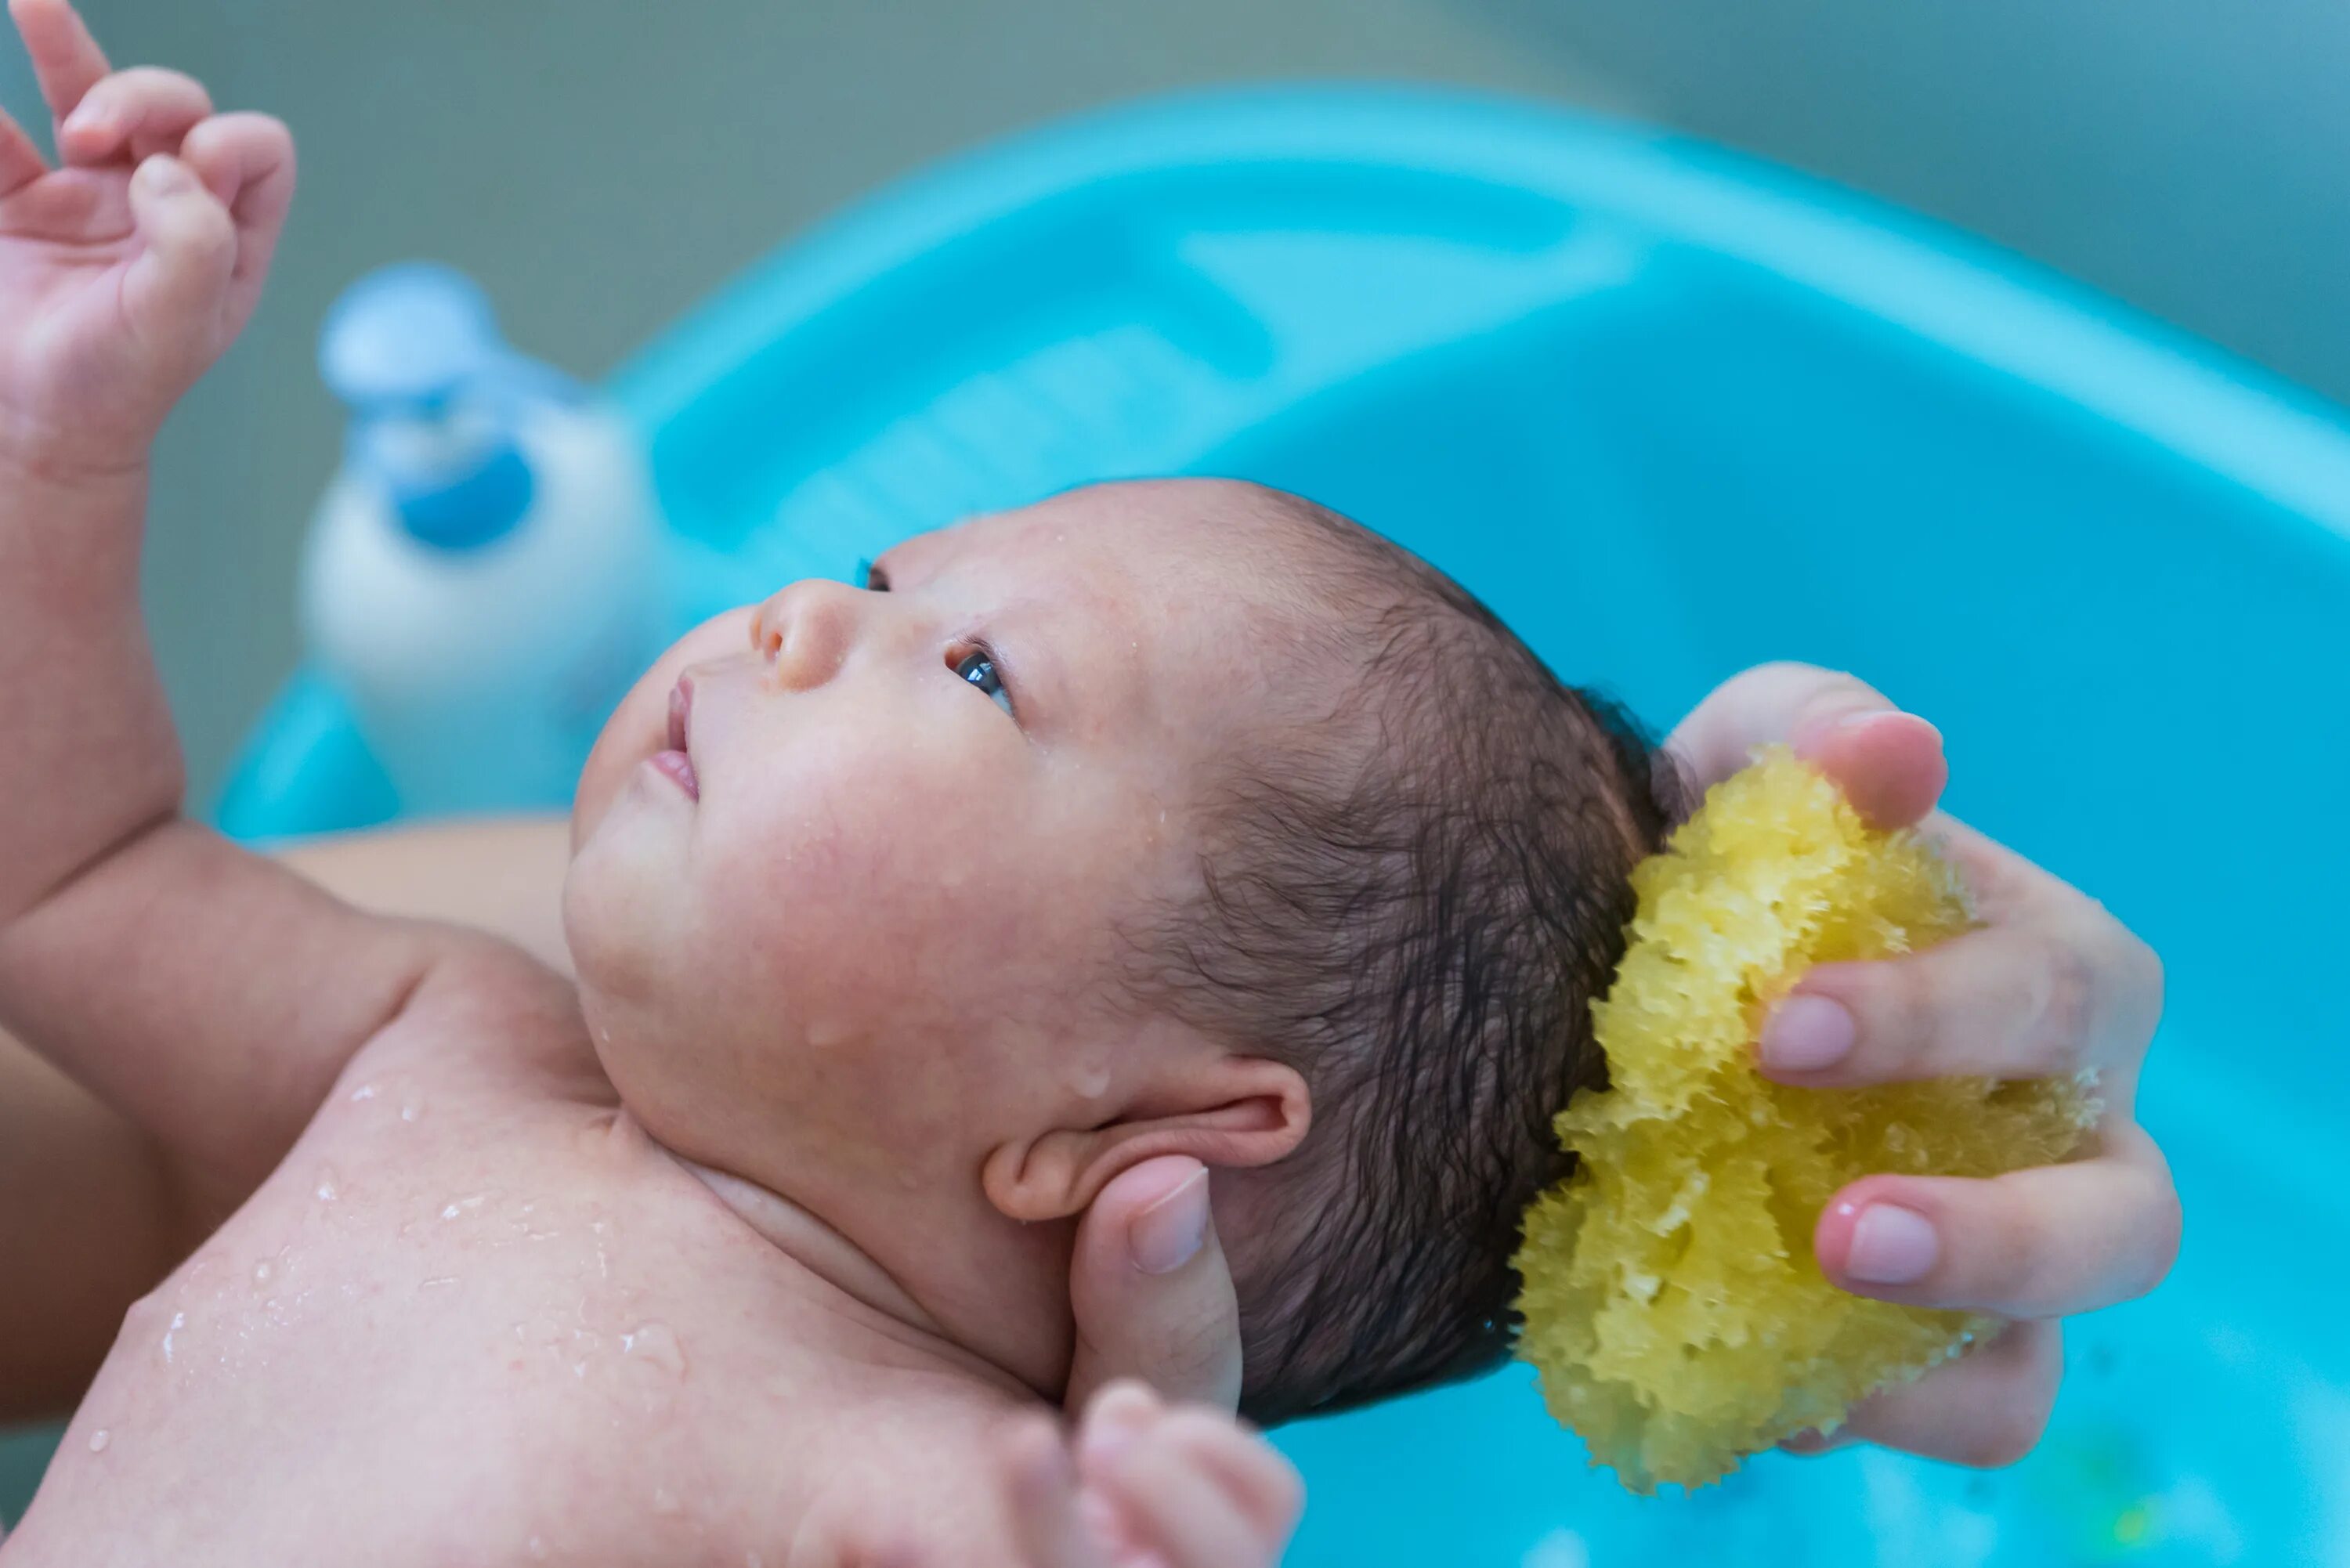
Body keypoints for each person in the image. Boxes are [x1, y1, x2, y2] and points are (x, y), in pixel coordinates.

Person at [0, 1, 2176, 1558]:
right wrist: (64, 453)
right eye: (874, 575)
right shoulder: (433, 1039)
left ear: (1130, 1133)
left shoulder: (925, 1491)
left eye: (968, 666)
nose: (784, 614)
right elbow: (69, 881)